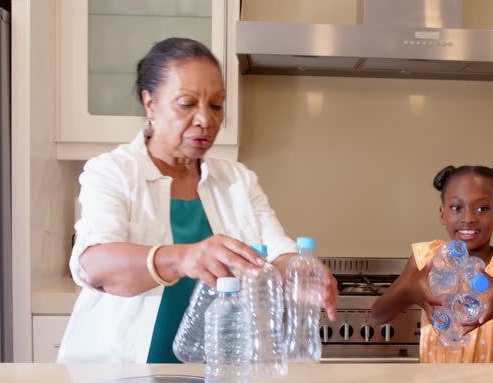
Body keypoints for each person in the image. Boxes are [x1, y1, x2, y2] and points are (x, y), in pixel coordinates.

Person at [58, 38, 337, 363]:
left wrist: (301, 273)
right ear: (150, 103)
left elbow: (276, 251)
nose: (205, 119)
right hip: (122, 373)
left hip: (219, 372)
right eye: (187, 103)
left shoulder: (237, 179)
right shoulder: (112, 171)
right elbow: (94, 265)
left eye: (216, 105)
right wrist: (183, 258)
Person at [371, 165, 493, 363]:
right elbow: (377, 316)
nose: (468, 218)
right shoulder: (427, 257)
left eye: (482, 209)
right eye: (456, 208)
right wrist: (409, 291)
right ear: (443, 214)